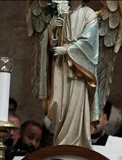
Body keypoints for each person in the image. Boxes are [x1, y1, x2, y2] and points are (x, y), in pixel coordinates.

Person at [42, 0, 99, 148]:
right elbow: (48, 47)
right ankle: (60, 143)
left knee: (75, 106)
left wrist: (68, 50)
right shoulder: (58, 12)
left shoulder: (89, 14)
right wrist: (52, 29)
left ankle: (76, 145)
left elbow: (89, 44)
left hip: (79, 70)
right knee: (60, 106)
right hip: (60, 67)